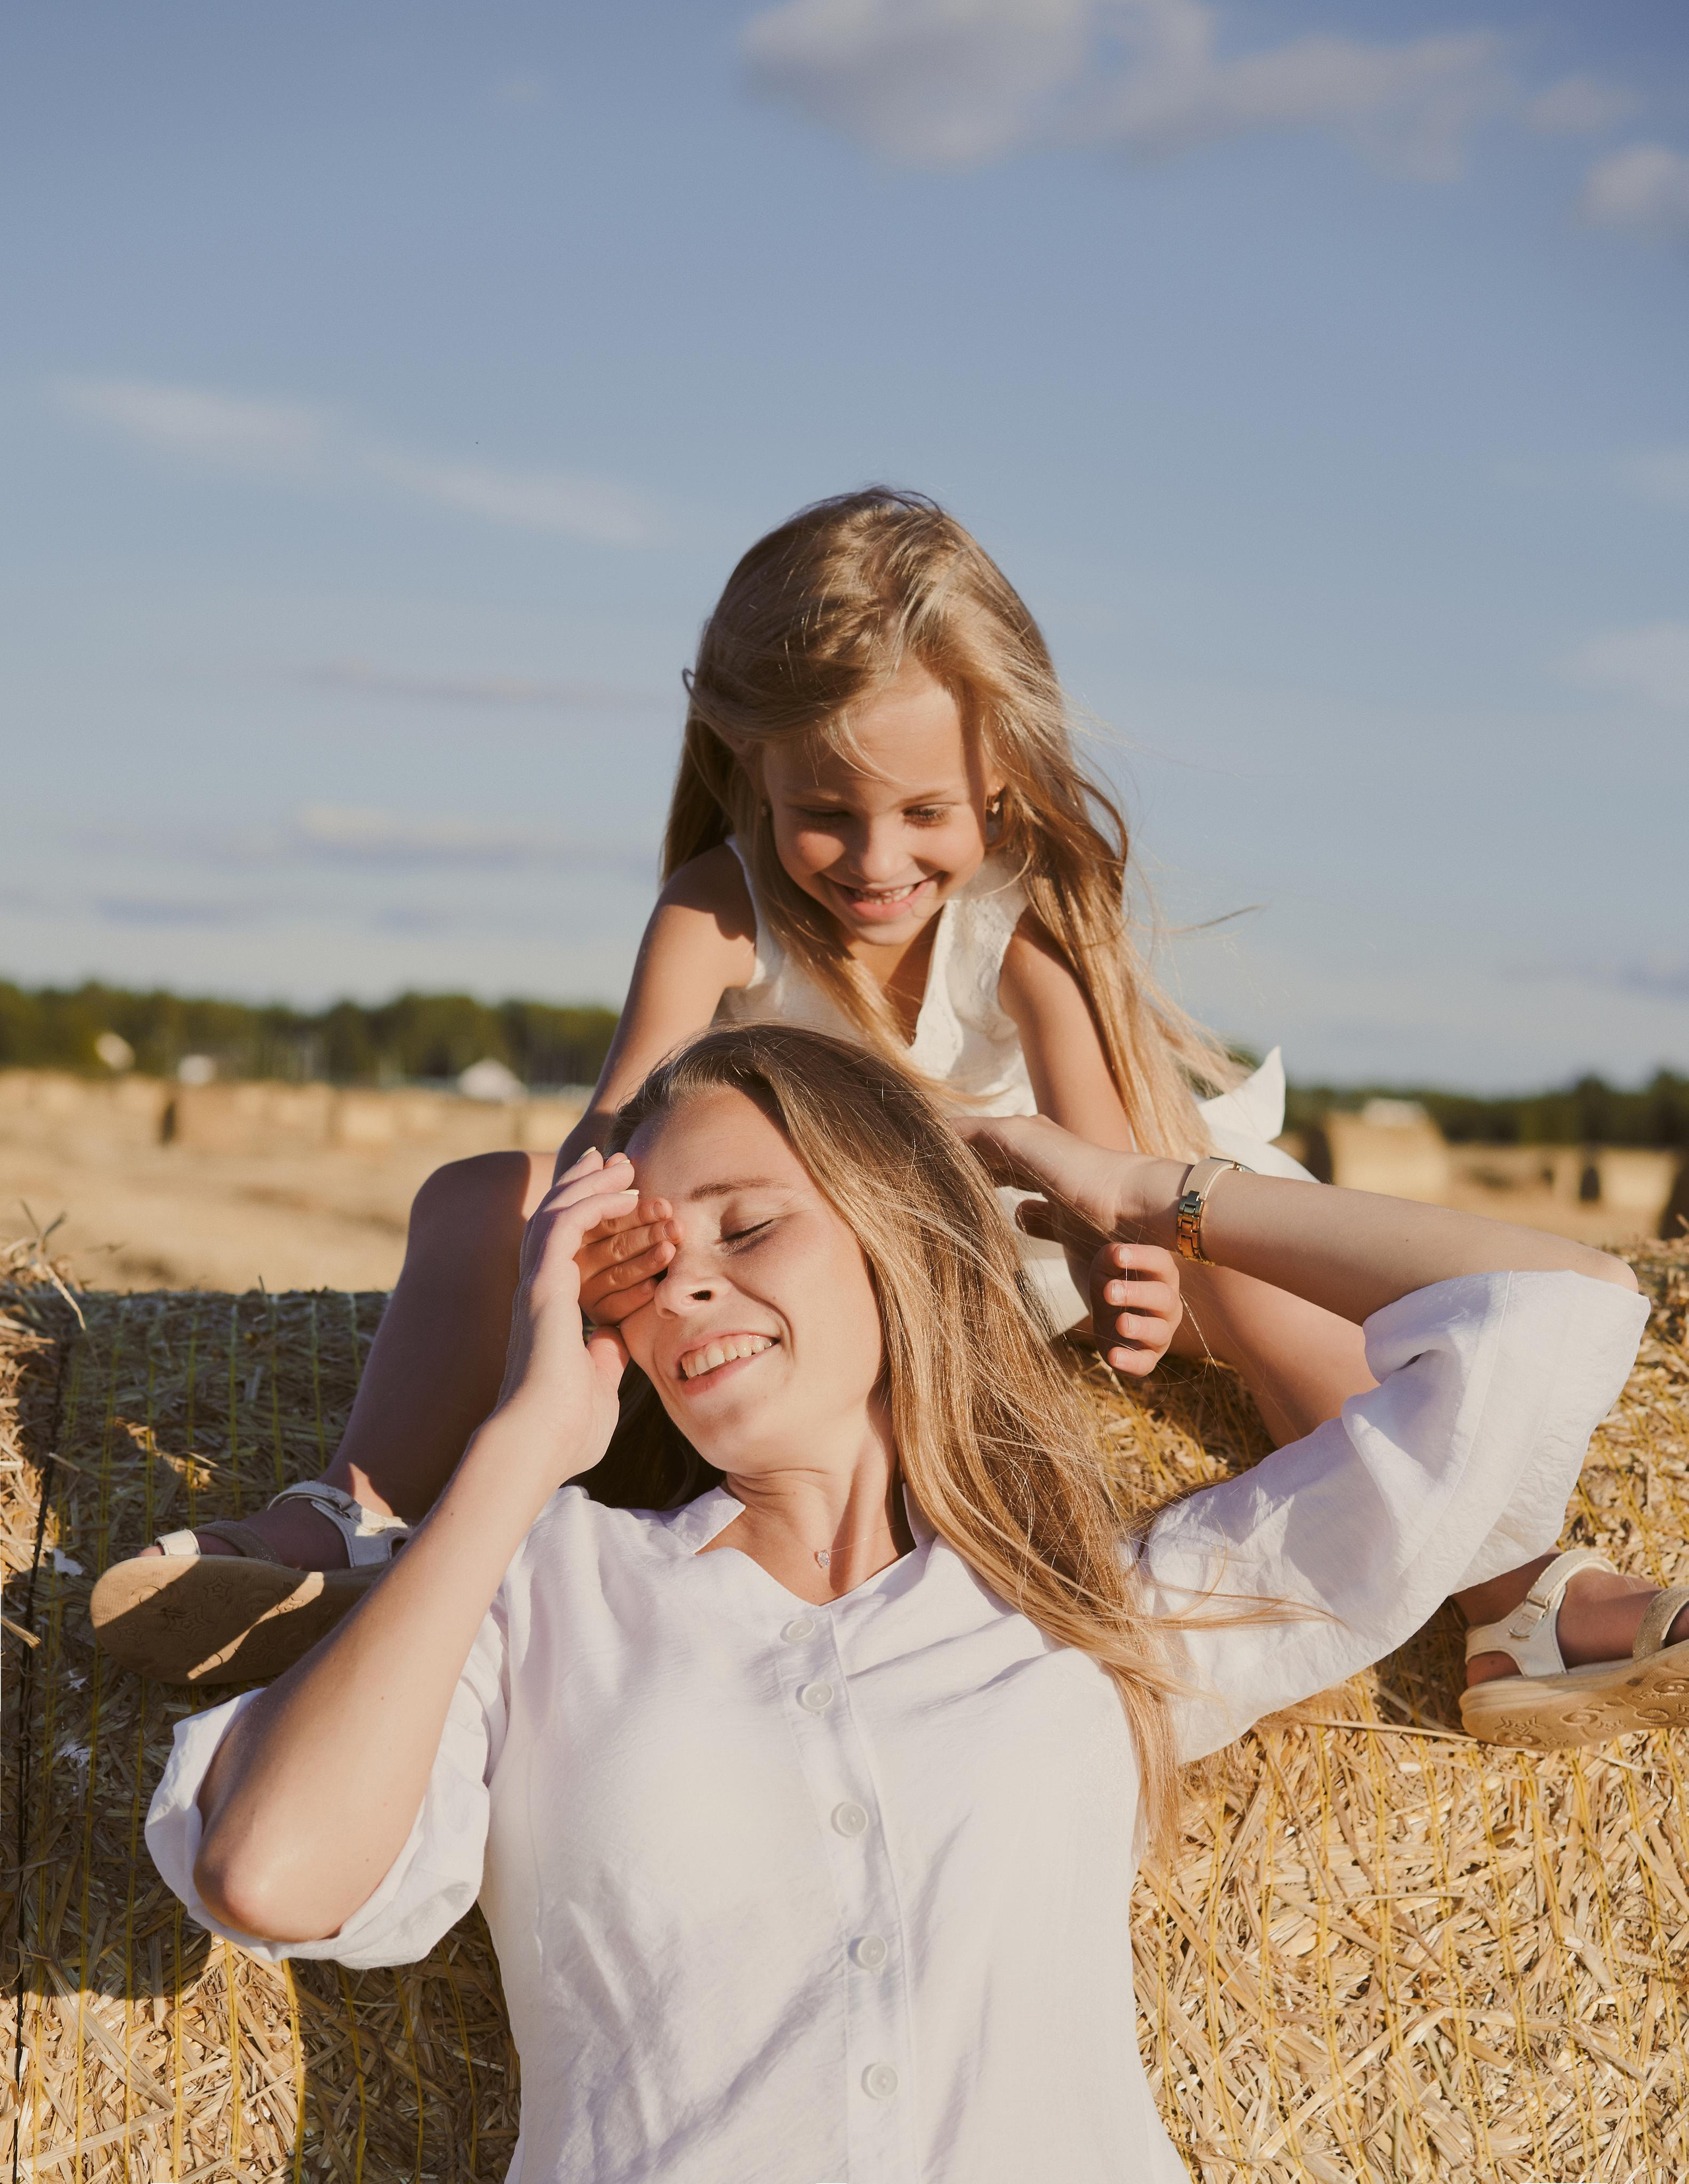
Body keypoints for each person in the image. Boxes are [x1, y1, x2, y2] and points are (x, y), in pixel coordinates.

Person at [88, 491, 1682, 1717]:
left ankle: (1511, 1598)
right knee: (467, 1198)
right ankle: (351, 1524)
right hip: (818, 1263)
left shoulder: (1030, 914)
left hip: (1020, 1248)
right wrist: (580, 1234)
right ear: (741, 767)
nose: (872, 860)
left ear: (997, 780)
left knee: (1241, 1267)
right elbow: (616, 1115)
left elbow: (1126, 1165)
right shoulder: (714, 914)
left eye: (923, 812)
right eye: (822, 814)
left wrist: (1142, 1264)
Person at [146, 1024, 1674, 2183]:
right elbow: (274, 1875)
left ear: (894, 1233)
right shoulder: (543, 1587)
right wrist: (522, 1446)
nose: (690, 1292)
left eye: (750, 1227)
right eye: (647, 1267)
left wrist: (1151, 1193)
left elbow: (1550, 1317)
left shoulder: (1101, 1608)